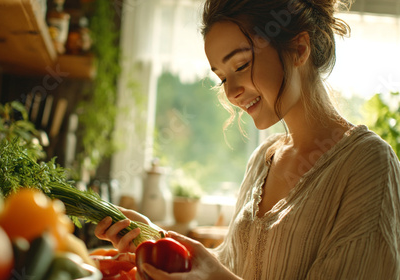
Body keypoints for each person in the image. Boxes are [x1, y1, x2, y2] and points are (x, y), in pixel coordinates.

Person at [95, 0, 400, 279]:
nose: (230, 92)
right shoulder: (263, 159)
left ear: (298, 47)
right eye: (223, 78)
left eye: (241, 65)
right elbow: (231, 267)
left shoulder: (369, 163)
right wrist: (153, 239)